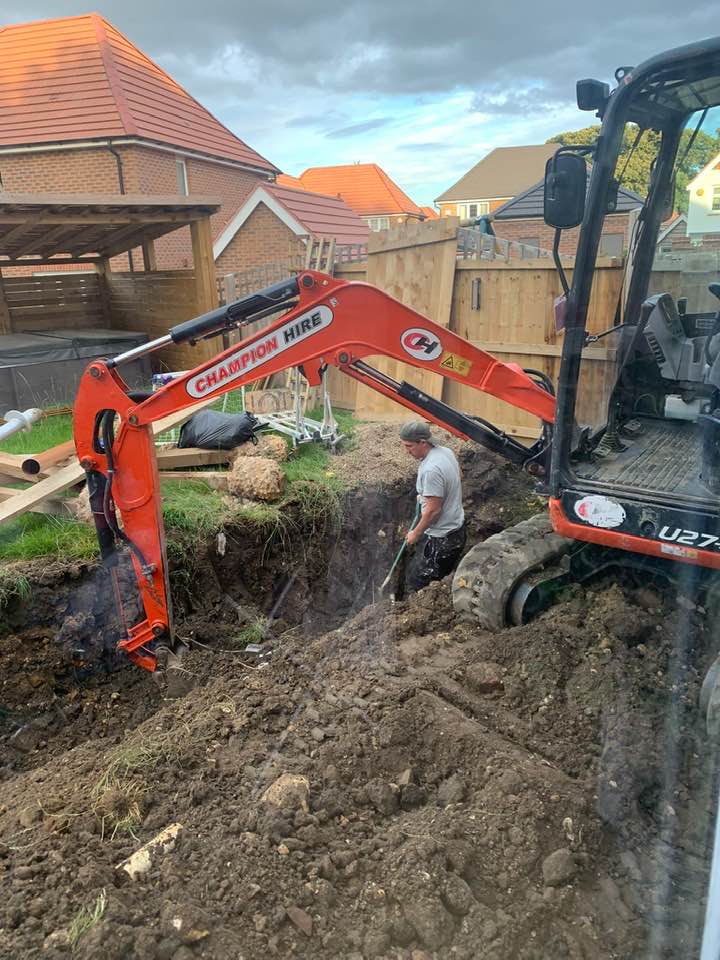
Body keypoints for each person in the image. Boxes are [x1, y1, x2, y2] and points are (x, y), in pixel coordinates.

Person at [400, 420, 466, 592]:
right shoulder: (446, 452)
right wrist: (426, 495)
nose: (406, 451)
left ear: (423, 442)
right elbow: (459, 475)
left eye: (409, 446)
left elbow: (434, 511)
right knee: (437, 574)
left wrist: (416, 533)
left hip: (443, 539)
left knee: (416, 581)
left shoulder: (431, 470)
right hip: (457, 529)